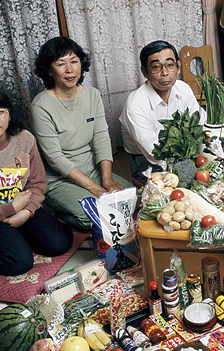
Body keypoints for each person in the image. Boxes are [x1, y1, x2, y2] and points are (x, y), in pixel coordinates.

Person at [0, 85, 74, 276]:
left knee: (60, 242)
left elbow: (38, 183)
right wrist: (9, 209)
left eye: (0, 112)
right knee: (19, 263)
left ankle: (18, 235)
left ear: (9, 114)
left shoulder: (25, 139)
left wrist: (26, 212)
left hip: (23, 209)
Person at [30, 37, 131, 230]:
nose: (70, 69)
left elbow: (101, 137)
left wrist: (106, 179)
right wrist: (94, 188)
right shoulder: (40, 105)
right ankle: (60, 211)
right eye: (61, 64)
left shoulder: (92, 94)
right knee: (94, 217)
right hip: (59, 179)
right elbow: (54, 157)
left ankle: (89, 197)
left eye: (74, 61)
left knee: (133, 199)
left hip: (91, 169)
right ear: (49, 70)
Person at [119, 40, 204, 186]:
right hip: (147, 160)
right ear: (145, 72)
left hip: (184, 153)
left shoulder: (183, 88)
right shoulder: (135, 104)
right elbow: (153, 152)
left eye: (170, 65)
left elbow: (198, 124)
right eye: (156, 67)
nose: (164, 73)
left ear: (178, 68)